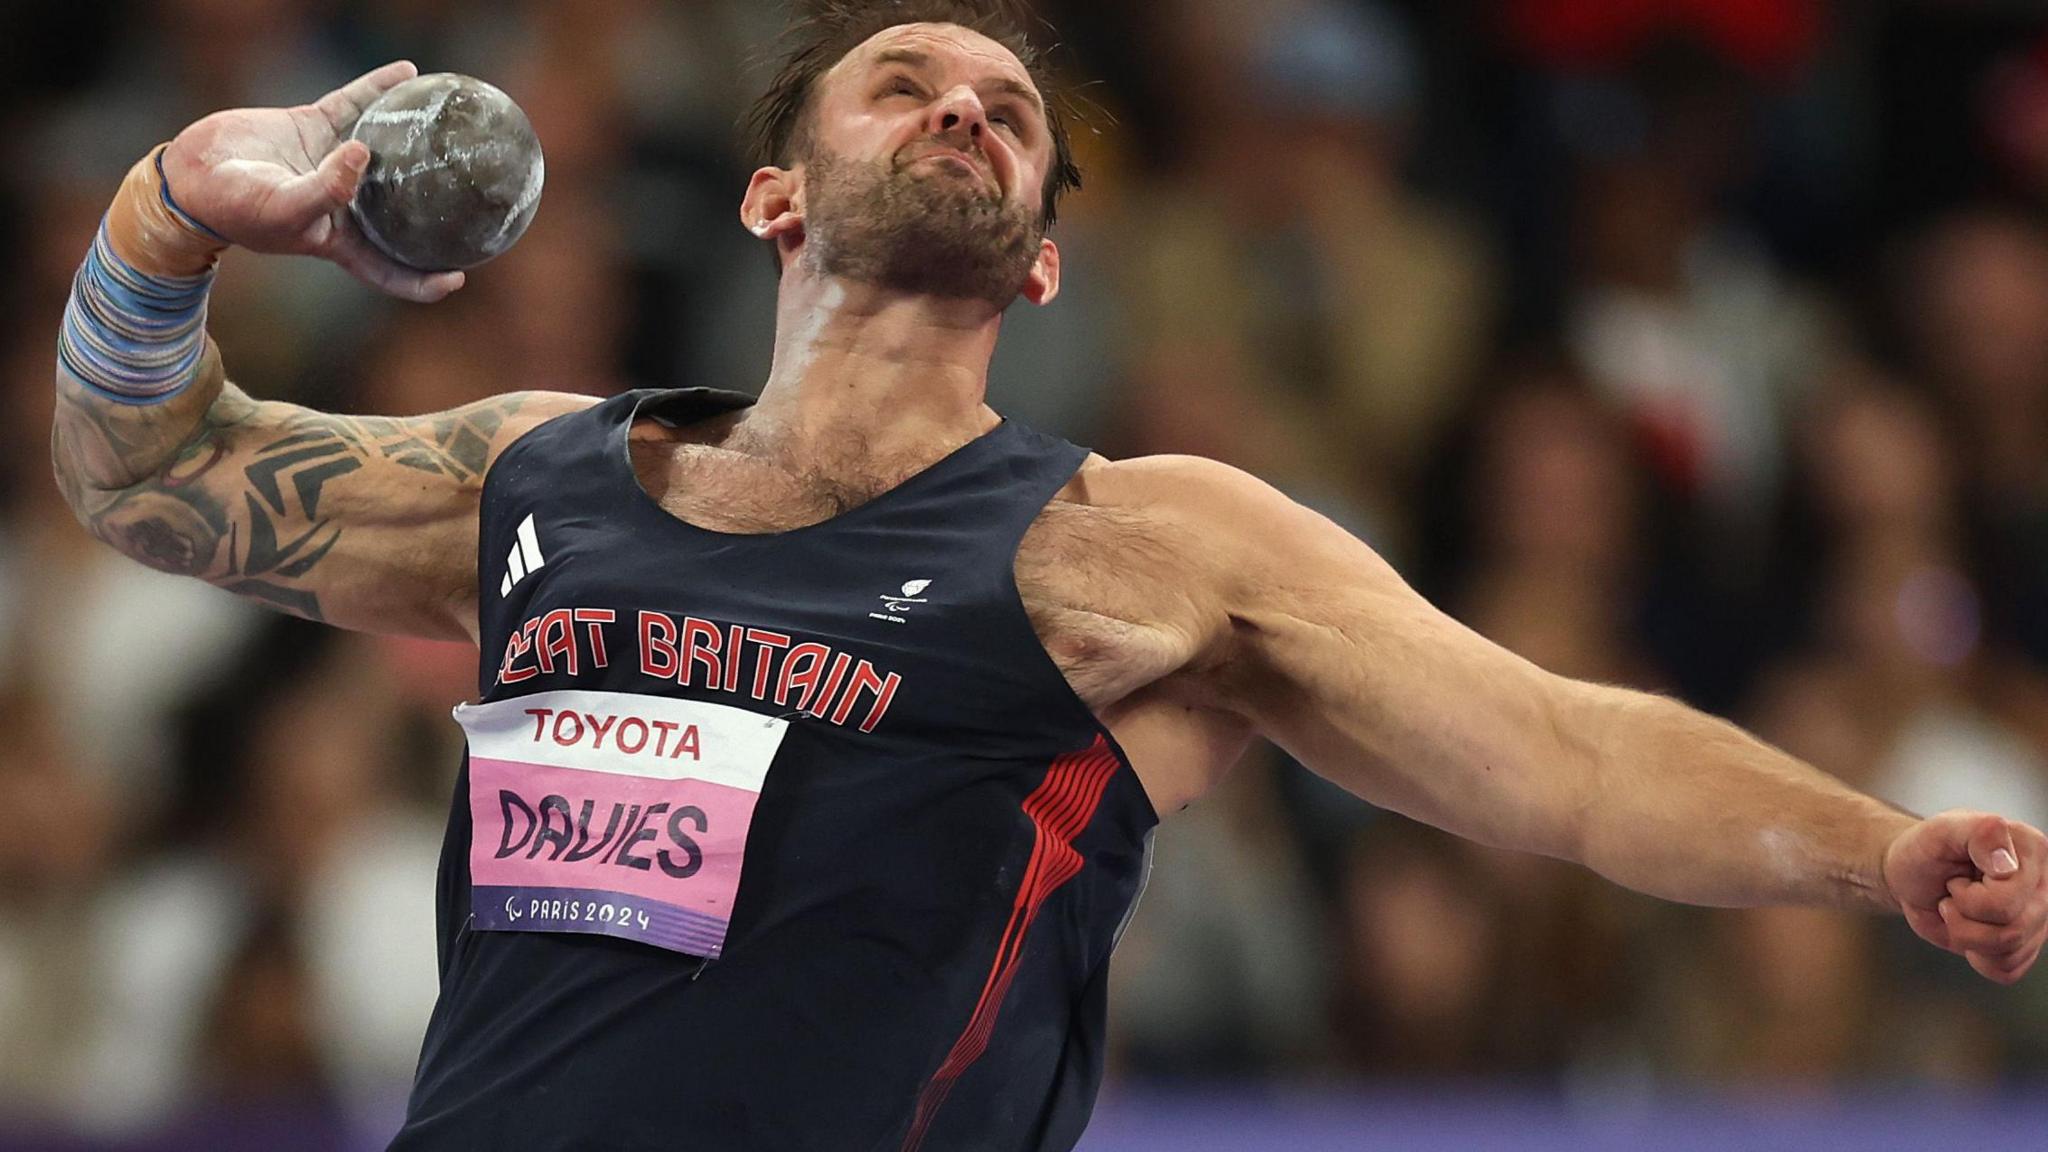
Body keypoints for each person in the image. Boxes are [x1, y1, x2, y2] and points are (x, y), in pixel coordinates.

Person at [47, 2, 2048, 1149]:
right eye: (908, 82)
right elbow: (149, 481)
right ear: (770, 194)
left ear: (1039, 264)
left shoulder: (1139, 548)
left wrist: (1871, 852)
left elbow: (1562, 761)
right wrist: (163, 217)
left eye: (1008, 114)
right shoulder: (547, 474)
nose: (967, 110)